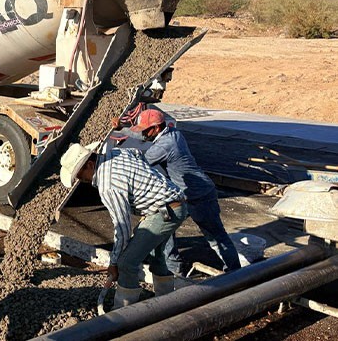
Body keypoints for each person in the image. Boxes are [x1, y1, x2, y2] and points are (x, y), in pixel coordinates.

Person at [60, 142, 187, 308]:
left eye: (79, 174)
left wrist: (114, 263)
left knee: (127, 262)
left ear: (90, 164)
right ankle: (167, 303)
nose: (80, 180)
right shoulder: (116, 153)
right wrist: (148, 187)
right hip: (171, 204)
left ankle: (123, 312)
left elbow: (122, 227)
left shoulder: (108, 185)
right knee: (157, 256)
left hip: (165, 211)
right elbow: (137, 153)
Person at [129, 108, 241, 273]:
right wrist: (122, 127)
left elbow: (139, 164)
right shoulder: (173, 133)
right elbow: (143, 139)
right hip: (187, 192)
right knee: (166, 231)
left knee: (216, 238)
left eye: (146, 131)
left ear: (157, 128)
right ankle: (174, 270)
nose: (143, 135)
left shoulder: (165, 145)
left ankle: (235, 274)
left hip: (198, 195)